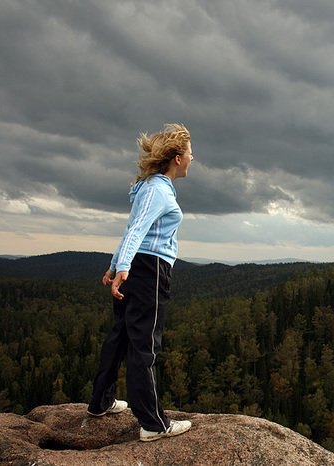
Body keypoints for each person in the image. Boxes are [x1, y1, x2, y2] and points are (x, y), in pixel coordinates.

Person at [87, 123, 194, 442]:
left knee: (120, 336)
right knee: (145, 344)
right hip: (150, 270)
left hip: (137, 266)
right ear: (177, 158)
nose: (192, 157)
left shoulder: (151, 188)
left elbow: (133, 228)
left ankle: (100, 402)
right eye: (189, 152)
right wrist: (121, 266)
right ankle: (152, 423)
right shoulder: (159, 190)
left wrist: (116, 265)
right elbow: (136, 231)